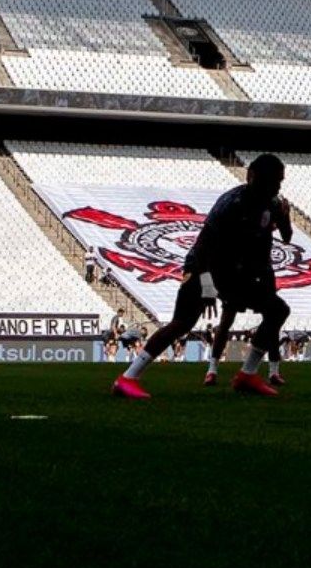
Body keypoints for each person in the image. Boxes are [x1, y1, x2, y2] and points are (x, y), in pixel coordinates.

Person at [112, 155, 293, 400]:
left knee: (277, 310)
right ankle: (128, 378)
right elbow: (203, 249)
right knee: (182, 323)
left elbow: (287, 237)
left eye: (279, 182)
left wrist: (284, 218)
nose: (277, 187)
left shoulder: (272, 203)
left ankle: (247, 375)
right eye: (272, 181)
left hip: (234, 272)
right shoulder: (231, 204)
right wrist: (207, 286)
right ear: (252, 177)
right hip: (201, 267)